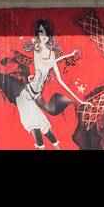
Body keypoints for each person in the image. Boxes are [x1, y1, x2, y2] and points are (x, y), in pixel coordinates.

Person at [16, 20, 83, 149]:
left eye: (46, 33)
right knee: (37, 128)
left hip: (35, 97)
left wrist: (80, 100)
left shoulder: (51, 55)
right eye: (41, 32)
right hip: (27, 95)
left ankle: (58, 148)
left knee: (45, 128)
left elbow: (61, 80)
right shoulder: (37, 49)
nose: (43, 36)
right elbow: (37, 49)